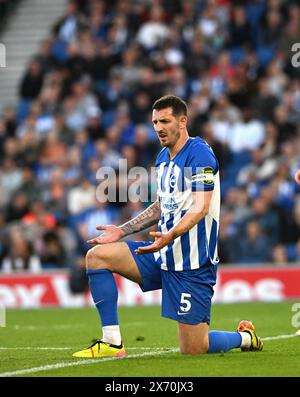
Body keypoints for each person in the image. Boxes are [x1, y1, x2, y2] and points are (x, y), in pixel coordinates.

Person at [73, 95, 263, 358]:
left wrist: (171, 234)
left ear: (182, 121)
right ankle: (112, 343)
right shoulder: (163, 158)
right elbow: (161, 206)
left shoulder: (200, 154)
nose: (158, 127)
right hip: (161, 254)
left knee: (194, 349)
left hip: (193, 264)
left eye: (165, 121)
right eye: (155, 122)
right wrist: (122, 230)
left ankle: (245, 337)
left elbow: (201, 207)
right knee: (97, 257)